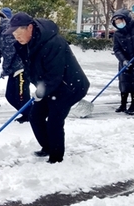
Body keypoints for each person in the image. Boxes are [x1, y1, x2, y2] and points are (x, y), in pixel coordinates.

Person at [6, 12, 90, 164]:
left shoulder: (53, 43)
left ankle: (56, 158)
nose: (16, 37)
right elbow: (32, 68)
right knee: (35, 116)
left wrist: (41, 90)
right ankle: (48, 147)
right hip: (49, 85)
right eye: (14, 34)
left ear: (30, 28)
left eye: (18, 33)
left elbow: (54, 74)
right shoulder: (25, 44)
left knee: (54, 121)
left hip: (69, 86)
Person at [0, 10, 31, 121]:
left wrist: (5, 69)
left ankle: (30, 115)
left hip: (21, 68)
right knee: (10, 96)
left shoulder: (6, 30)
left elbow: (10, 51)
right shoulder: (1, 30)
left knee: (22, 96)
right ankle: (28, 113)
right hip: (14, 68)